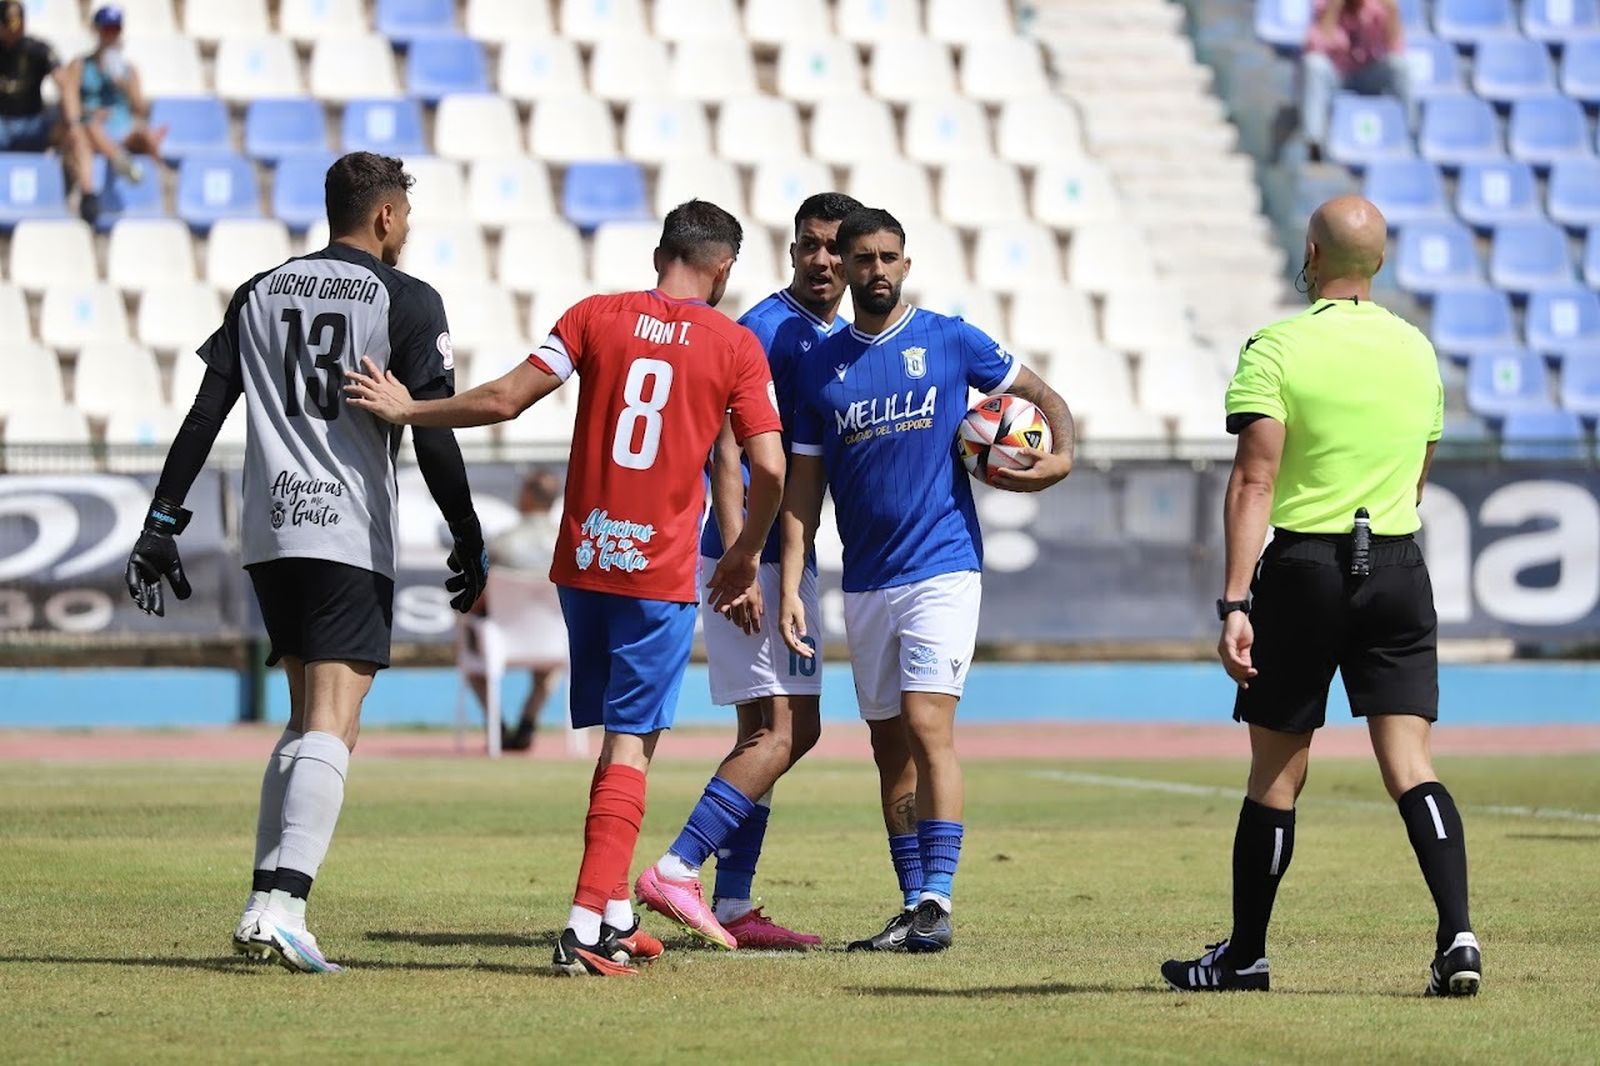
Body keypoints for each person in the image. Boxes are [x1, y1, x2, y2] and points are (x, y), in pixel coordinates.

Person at [343, 199, 786, 978]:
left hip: (584, 563)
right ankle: (583, 928)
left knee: (617, 739)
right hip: (655, 572)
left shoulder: (593, 316)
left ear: (660, 256)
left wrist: (410, 407)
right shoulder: (735, 345)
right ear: (722, 270)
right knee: (631, 746)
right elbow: (770, 466)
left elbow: (507, 397)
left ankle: (616, 916)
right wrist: (745, 553)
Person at [124, 152, 488, 974]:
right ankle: (286, 906)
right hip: (346, 535)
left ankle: (263, 900)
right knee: (332, 718)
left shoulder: (260, 289)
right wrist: (466, 534)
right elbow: (431, 428)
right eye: (406, 218)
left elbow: (205, 413)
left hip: (271, 537)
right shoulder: (405, 298)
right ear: (386, 217)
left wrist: (161, 521)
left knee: (313, 719)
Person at [1160, 196, 1480, 997]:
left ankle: (1246, 957)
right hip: (1399, 564)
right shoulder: (1418, 351)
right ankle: (1458, 935)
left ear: (1311, 253)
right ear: (1381, 263)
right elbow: (1416, 471)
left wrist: (1235, 602)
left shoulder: (1277, 345)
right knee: (1411, 764)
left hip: (1307, 568)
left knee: (1276, 773)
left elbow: (1255, 478)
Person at [779, 208, 1074, 953]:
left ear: (905, 264)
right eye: (864, 258)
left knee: (926, 722)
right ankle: (914, 907)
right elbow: (803, 491)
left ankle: (940, 895)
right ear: (841, 268)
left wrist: (1061, 457)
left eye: (890, 257)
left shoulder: (950, 339)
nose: (877, 269)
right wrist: (789, 581)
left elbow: (1048, 400)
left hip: (943, 568)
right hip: (866, 582)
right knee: (887, 748)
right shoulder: (822, 367)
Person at [634, 191, 861, 952]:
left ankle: (731, 903)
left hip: (782, 553)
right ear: (791, 252)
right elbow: (724, 448)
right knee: (785, 730)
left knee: (770, 731)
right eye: (809, 245)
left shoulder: (840, 336)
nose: (823, 259)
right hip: (749, 553)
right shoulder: (763, 330)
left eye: (837, 247)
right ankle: (678, 866)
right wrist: (738, 557)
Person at [462, 467, 564, 752]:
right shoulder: (566, 542)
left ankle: (497, 724)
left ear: (526, 497)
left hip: (502, 639)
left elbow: (479, 598)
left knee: (468, 647)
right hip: (553, 642)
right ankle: (528, 722)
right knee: (550, 668)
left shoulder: (501, 543)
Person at [70, 4, 166, 220]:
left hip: (122, 128)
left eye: (116, 29)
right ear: (97, 30)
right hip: (93, 127)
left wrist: (124, 84)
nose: (111, 35)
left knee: (143, 135)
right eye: (107, 29)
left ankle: (144, 182)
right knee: (89, 126)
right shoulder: (80, 65)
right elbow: (70, 103)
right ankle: (119, 163)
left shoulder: (129, 69)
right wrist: (91, 111)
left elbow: (140, 107)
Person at [0, 0, 90, 196]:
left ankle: (84, 193)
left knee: (74, 125)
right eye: (9, 23)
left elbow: (64, 83)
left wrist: (74, 122)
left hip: (33, 124)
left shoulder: (38, 49)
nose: (15, 28)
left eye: (19, 22)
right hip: (2, 125)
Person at [1302, 0, 1410, 162]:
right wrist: (1332, 10)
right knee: (1314, 64)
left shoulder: (1377, 7)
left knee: (1399, 66)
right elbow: (1315, 46)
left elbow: (1396, 49)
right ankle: (1314, 143)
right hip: (1336, 74)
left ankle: (1410, 134)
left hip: (1368, 74)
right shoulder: (1324, 4)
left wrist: (1392, 13)